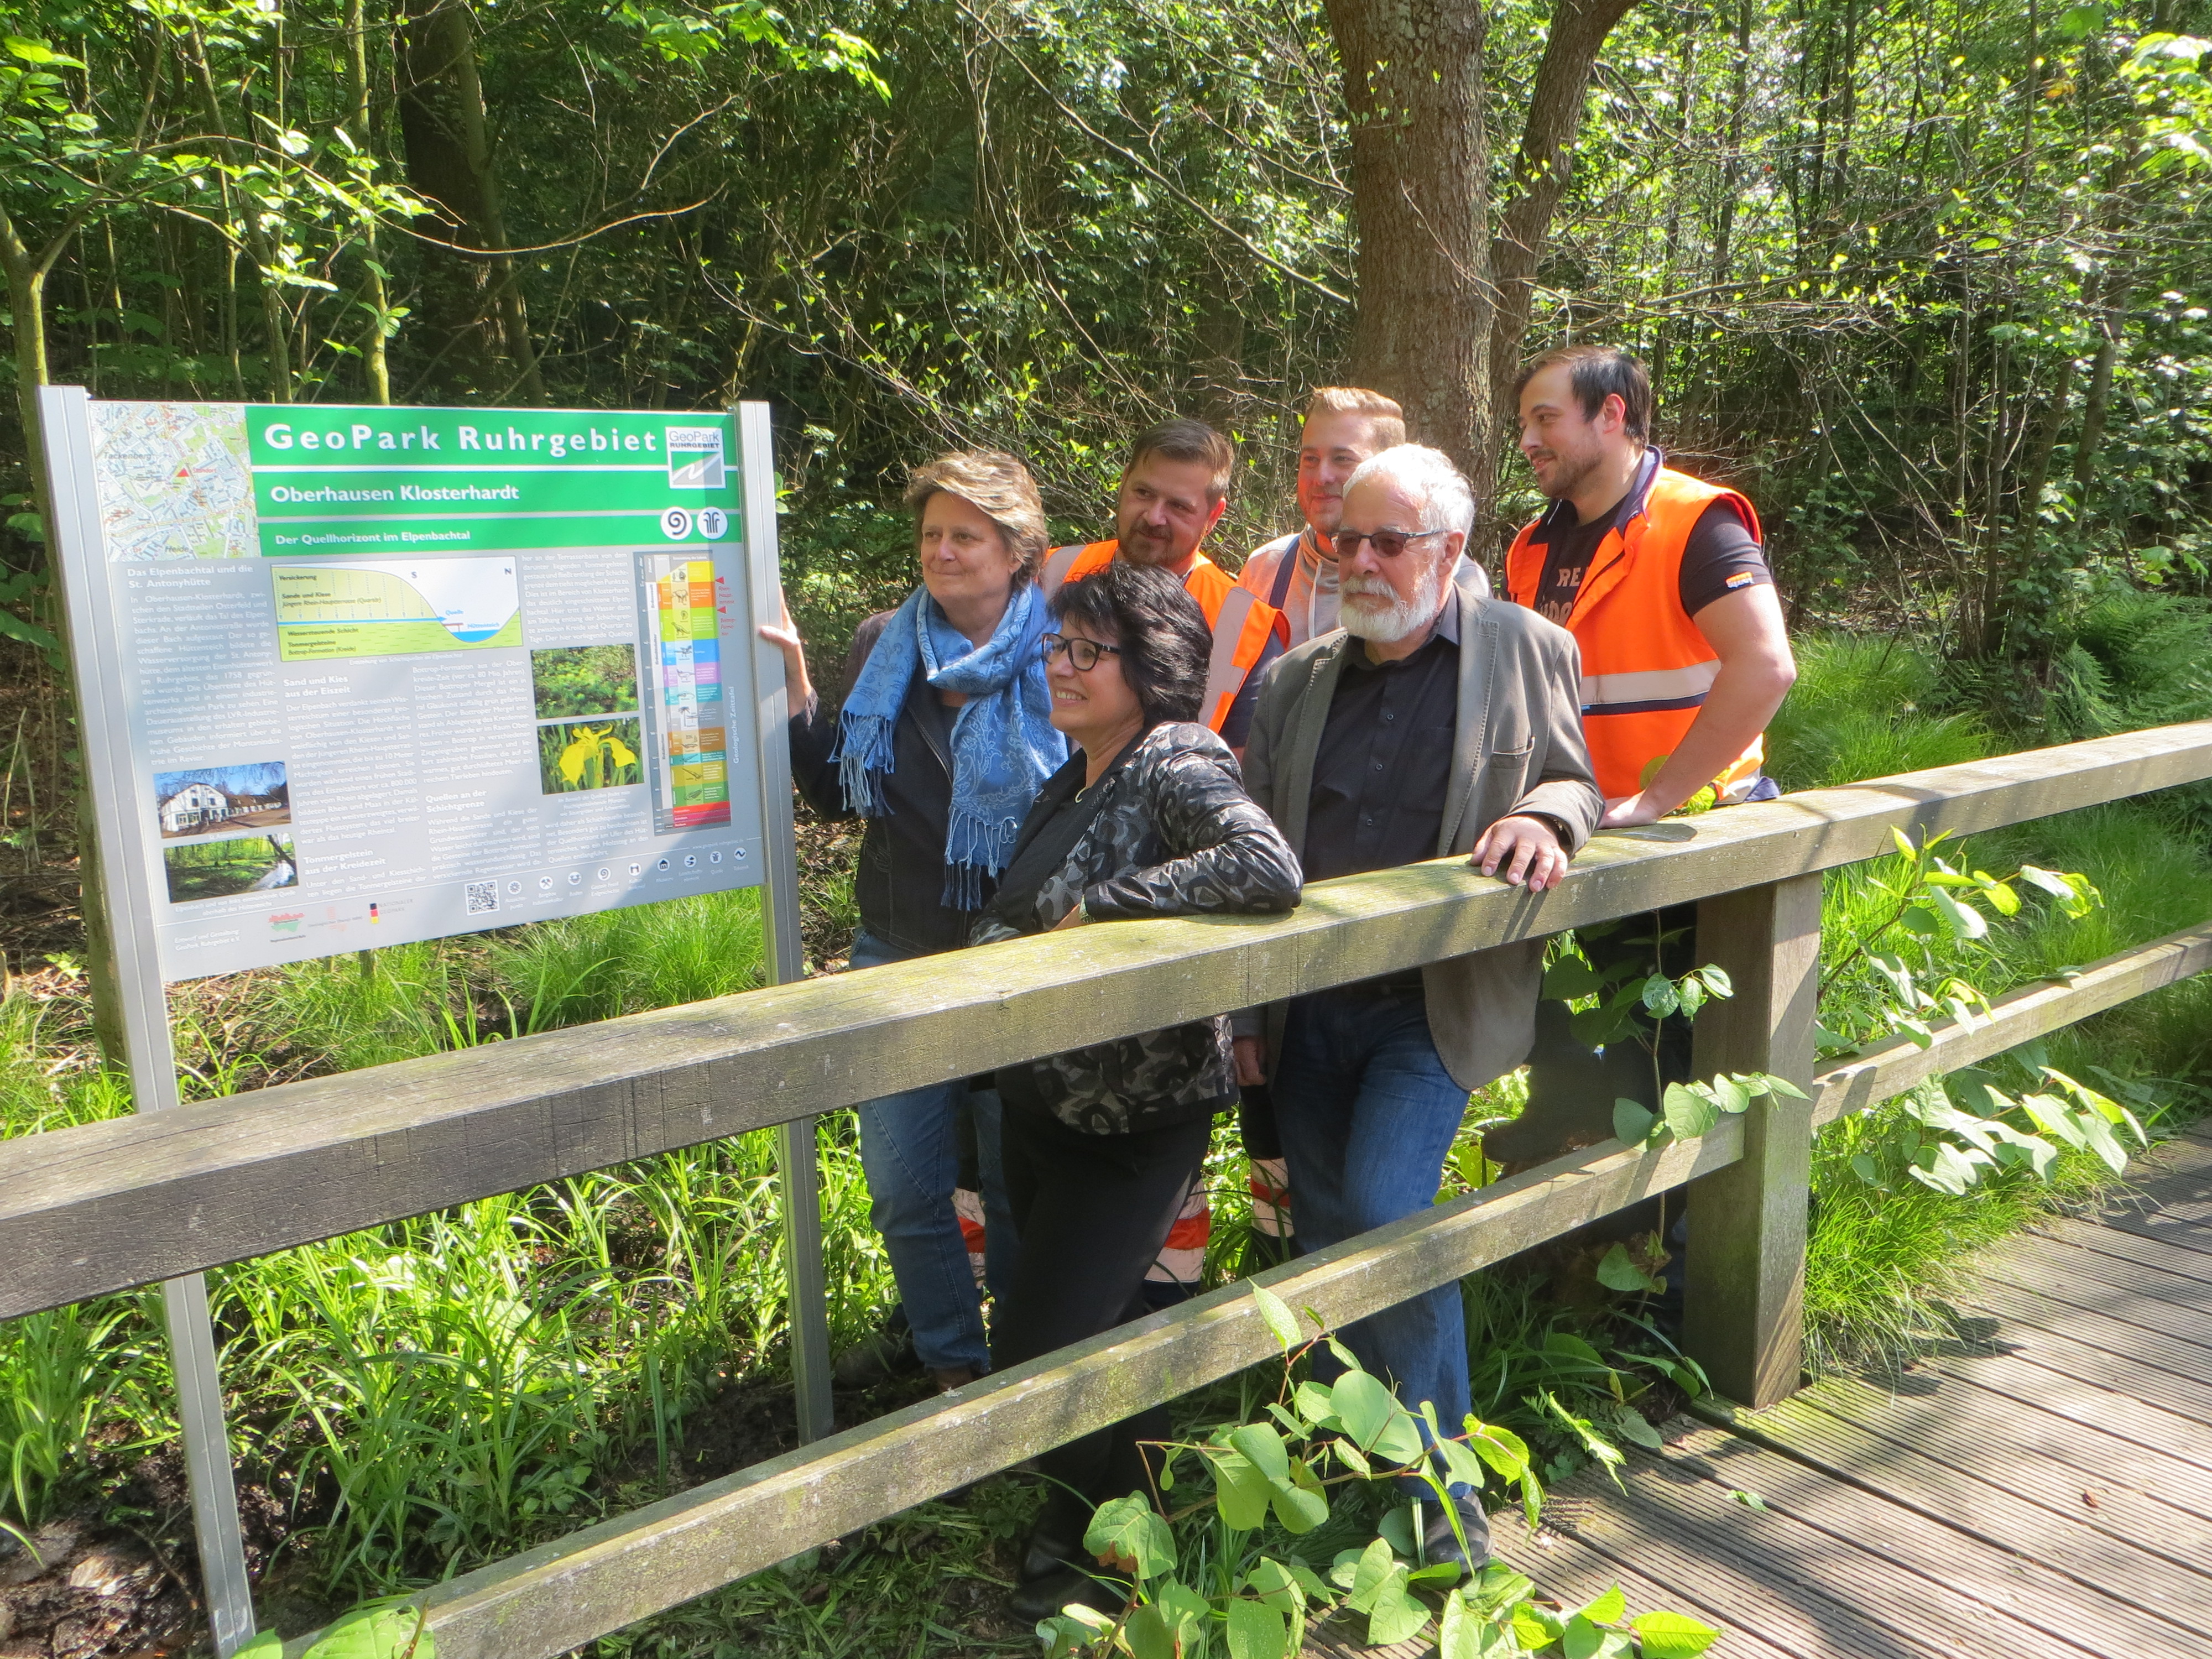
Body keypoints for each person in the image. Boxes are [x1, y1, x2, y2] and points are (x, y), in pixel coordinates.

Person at [1238, 444, 1601, 1569]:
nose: (1355, 559)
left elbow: (1571, 774)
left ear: (1447, 550)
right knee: (1331, 1228)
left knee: (1391, 1212)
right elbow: (1251, 841)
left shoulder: (1525, 649)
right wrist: (1241, 1017)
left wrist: (1545, 818)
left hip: (1429, 1008)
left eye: (1384, 541)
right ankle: (1373, 1459)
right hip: (1307, 1009)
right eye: (1341, 538)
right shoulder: (1296, 677)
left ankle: (1447, 1508)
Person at [972, 561, 1302, 1621]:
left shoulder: (1173, 755)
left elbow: (1265, 865)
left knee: (1041, 1341)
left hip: (1134, 1109)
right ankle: (1116, 1527)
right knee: (1084, 1324)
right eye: (1055, 648)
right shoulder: (1070, 775)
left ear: (1146, 668)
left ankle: (1086, 1534)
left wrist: (1111, 904)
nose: (1059, 667)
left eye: (1085, 651)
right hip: (1040, 1100)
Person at [763, 450, 1066, 1393]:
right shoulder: (882, 643)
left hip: (1018, 958)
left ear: (1018, 551)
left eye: (965, 536)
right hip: (897, 951)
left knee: (1017, 1189)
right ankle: (950, 1367)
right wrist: (799, 690)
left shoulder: (1065, 650)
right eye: (931, 534)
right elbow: (838, 796)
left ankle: (1023, 1364)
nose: (941, 551)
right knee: (903, 1186)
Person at [1490, 345, 1799, 1170]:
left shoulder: (1697, 521)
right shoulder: (1533, 547)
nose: (1527, 438)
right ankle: (1617, 1222)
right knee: (1618, 1044)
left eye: (1545, 418)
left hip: (1697, 832)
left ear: (1612, 415)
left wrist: (1662, 796)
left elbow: (1766, 666)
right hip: (1589, 830)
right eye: (1523, 422)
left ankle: (1687, 1270)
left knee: (1694, 1065)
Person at [1036, 418, 1286, 752]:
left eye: (1178, 506)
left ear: (1213, 516)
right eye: (1143, 493)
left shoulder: (1246, 628)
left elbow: (1240, 778)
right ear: (1123, 482)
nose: (1154, 517)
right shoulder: (1047, 573)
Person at [1235, 387, 1408, 647]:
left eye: (1342, 459)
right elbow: (1227, 682)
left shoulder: (1434, 578)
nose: (1321, 476)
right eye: (1311, 459)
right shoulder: (1264, 569)